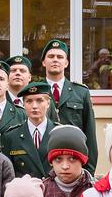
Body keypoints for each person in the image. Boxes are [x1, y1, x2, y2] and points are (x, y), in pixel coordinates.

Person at [42, 39, 99, 172]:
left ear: (66, 63)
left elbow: (89, 133)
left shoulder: (81, 92)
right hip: (44, 163)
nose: (55, 60)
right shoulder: (36, 93)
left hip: (74, 162)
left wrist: (89, 170)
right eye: (51, 56)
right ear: (44, 62)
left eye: (60, 57)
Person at [41, 124, 94, 197]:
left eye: (72, 159)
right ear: (51, 161)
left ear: (82, 160)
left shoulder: (94, 191)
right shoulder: (41, 191)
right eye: (58, 159)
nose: (65, 166)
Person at [0, 81, 58, 178]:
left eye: (39, 100)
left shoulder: (59, 133)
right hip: (24, 191)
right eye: (29, 101)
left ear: (48, 103)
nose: (34, 106)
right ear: (23, 104)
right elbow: (8, 173)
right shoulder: (11, 136)